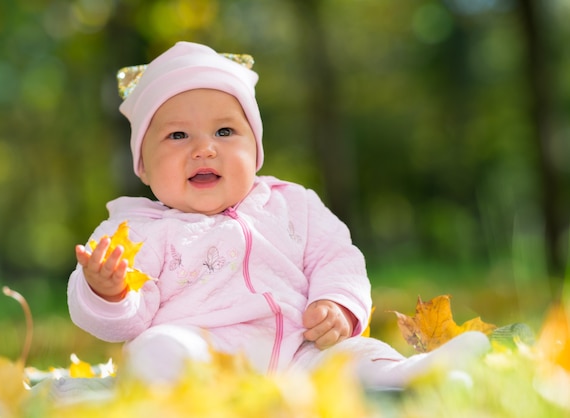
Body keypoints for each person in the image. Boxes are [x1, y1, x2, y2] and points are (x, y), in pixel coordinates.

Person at [67, 41, 490, 388]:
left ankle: (411, 377)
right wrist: (108, 291)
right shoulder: (138, 229)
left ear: (256, 151)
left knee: (354, 356)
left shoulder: (293, 204)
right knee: (156, 347)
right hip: (206, 362)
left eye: (225, 131)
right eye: (177, 135)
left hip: (301, 354)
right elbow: (123, 321)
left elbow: (338, 258)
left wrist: (337, 304)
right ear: (143, 165)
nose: (204, 148)